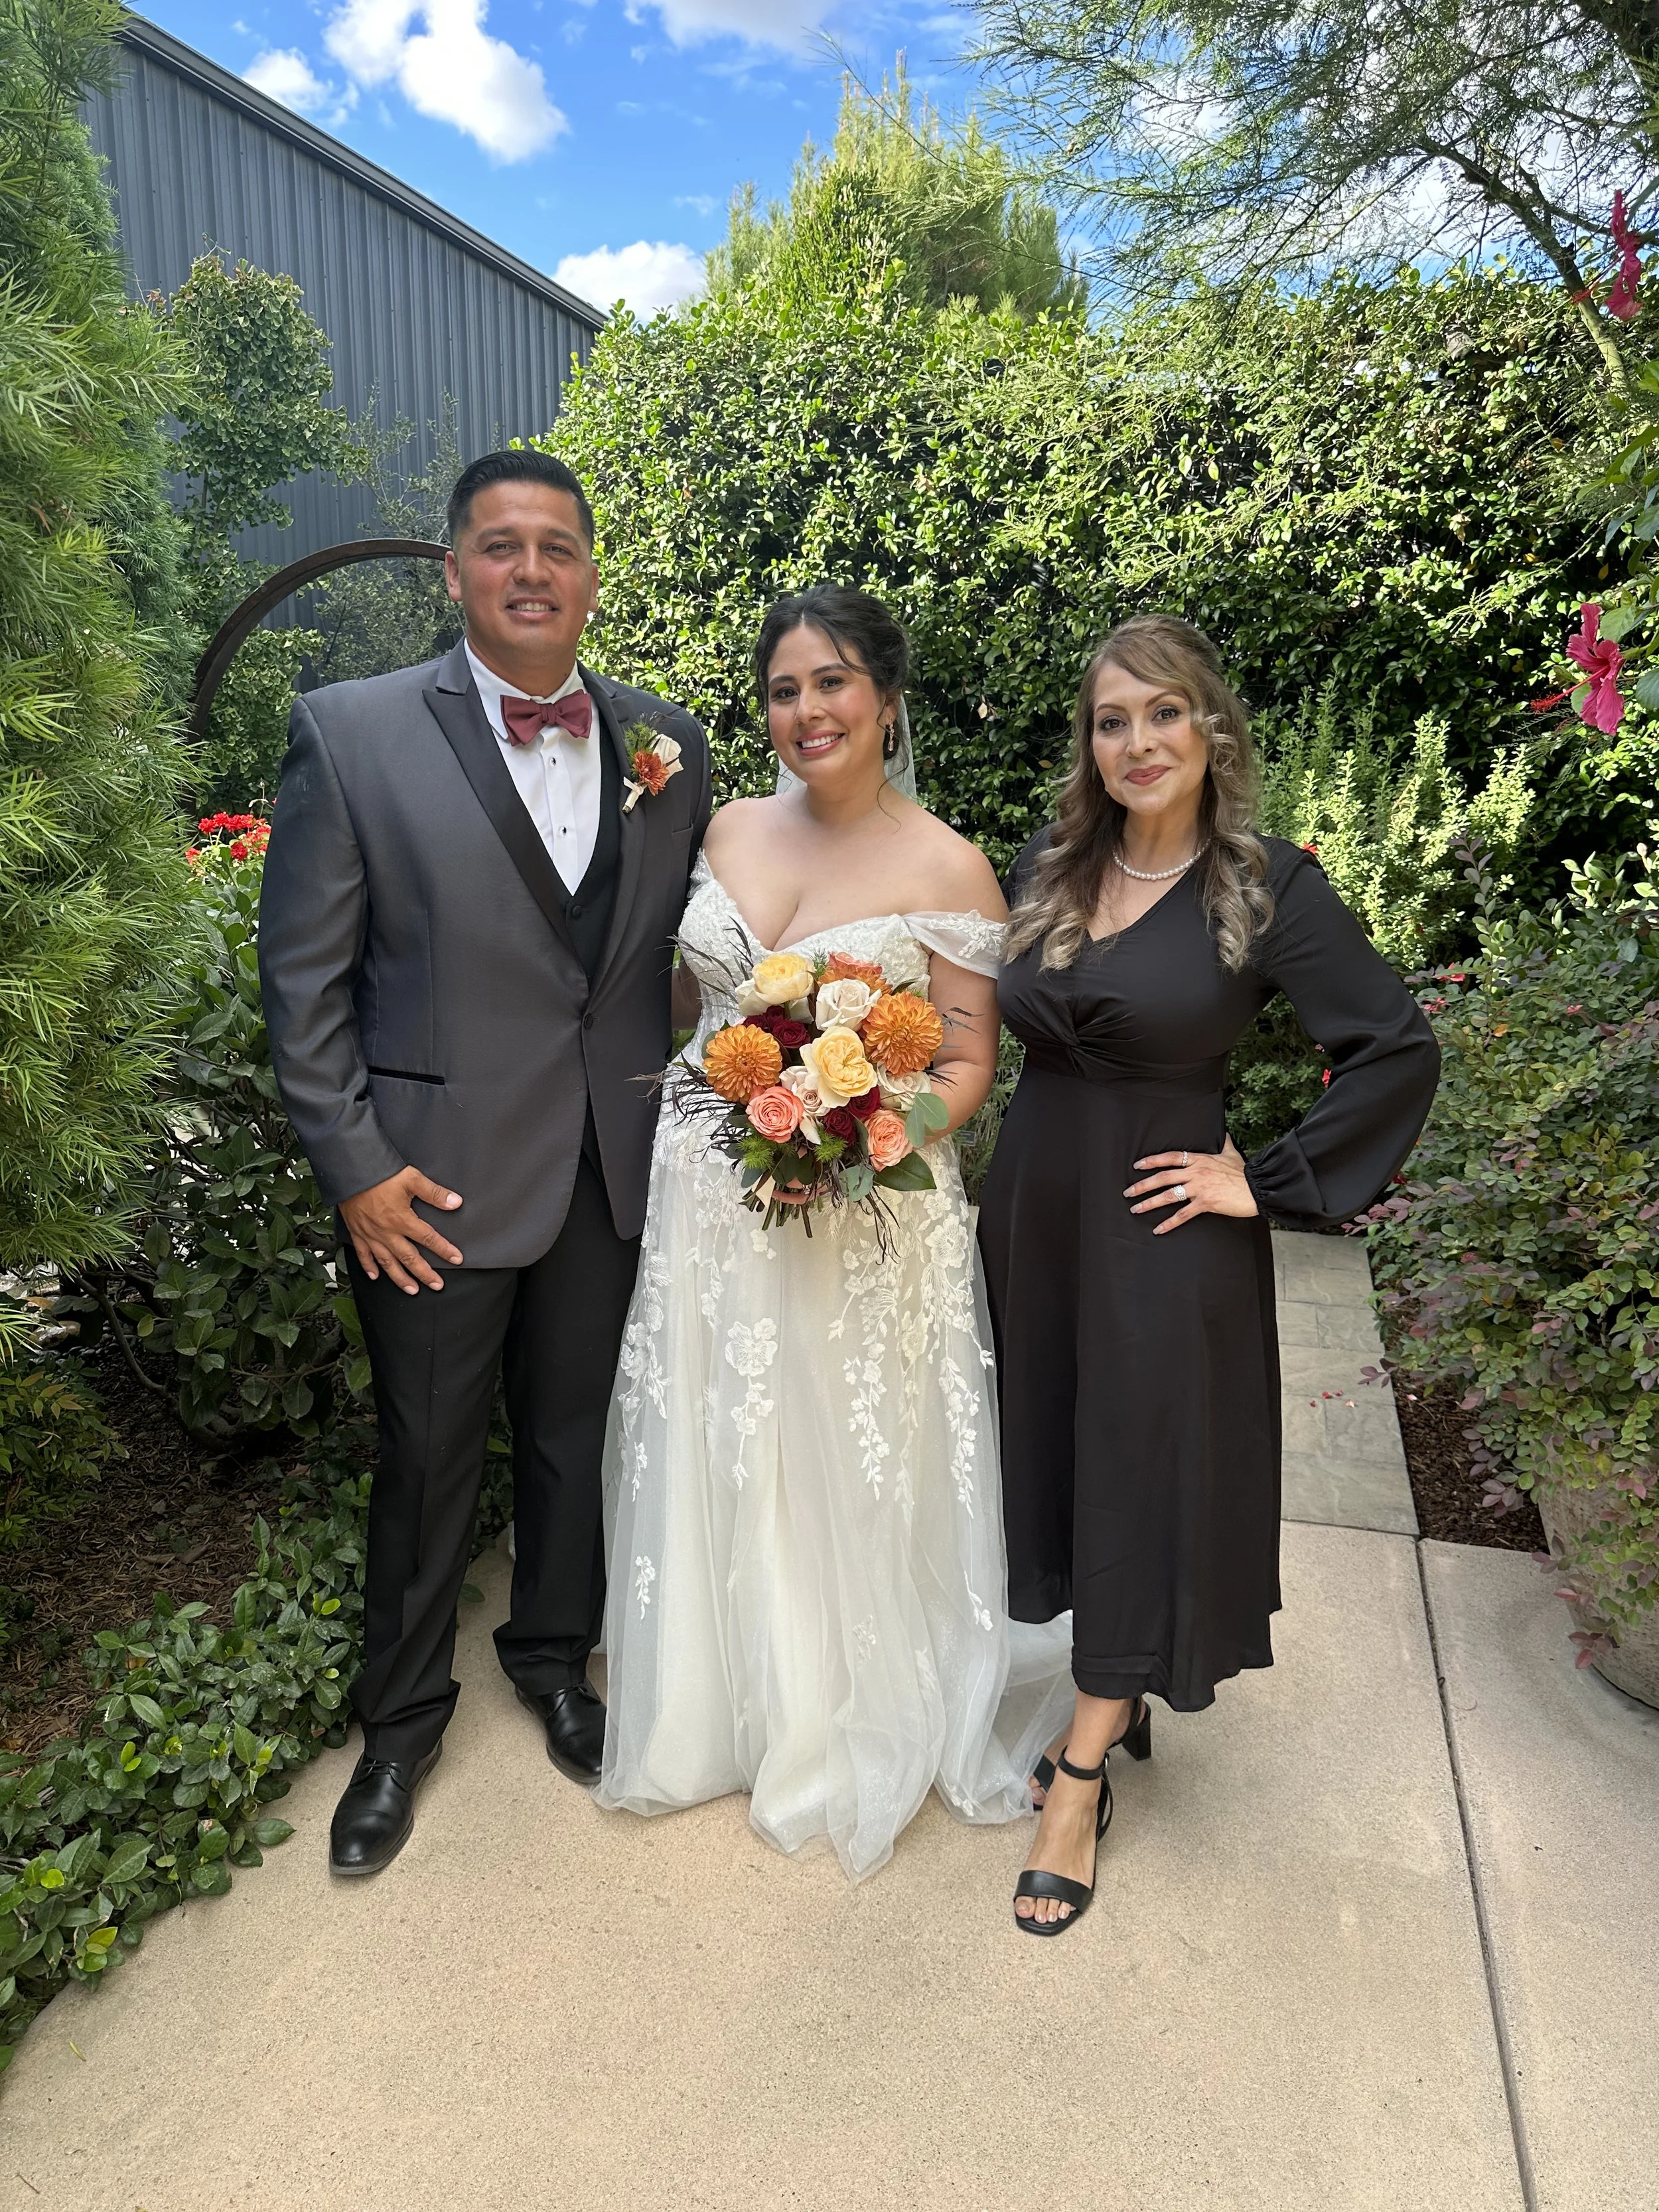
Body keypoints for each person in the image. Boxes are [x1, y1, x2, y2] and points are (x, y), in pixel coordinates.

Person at [259, 450, 711, 1876]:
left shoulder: (667, 747)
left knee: (578, 1443)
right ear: (452, 573)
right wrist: (355, 1166)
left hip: (607, 1168)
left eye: (557, 546)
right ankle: (398, 1725)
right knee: (429, 1450)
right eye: (500, 546)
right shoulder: (351, 733)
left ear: (590, 573)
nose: (531, 569)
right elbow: (303, 984)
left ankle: (551, 1658)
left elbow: (668, 963)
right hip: (430, 1189)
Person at [597, 585, 1071, 1880]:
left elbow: (969, 1058)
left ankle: (839, 1707)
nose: (807, 711)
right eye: (784, 689)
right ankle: (721, 1698)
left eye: (832, 683)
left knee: (840, 1448)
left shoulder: (946, 864)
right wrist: (742, 1098)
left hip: (860, 1200)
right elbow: (696, 1004)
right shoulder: (723, 823)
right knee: (728, 1429)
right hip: (709, 1189)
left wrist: (861, 1129)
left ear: (886, 698)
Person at [979, 615, 1439, 1935]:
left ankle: (1076, 1779)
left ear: (1209, 728)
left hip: (1161, 1229)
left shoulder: (1264, 887)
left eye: (1161, 713)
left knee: (1135, 1478)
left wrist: (1267, 1179)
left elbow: (1394, 1045)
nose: (1135, 743)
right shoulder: (1053, 864)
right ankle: (1107, 1701)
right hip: (1036, 1218)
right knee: (1066, 1465)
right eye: (1110, 720)